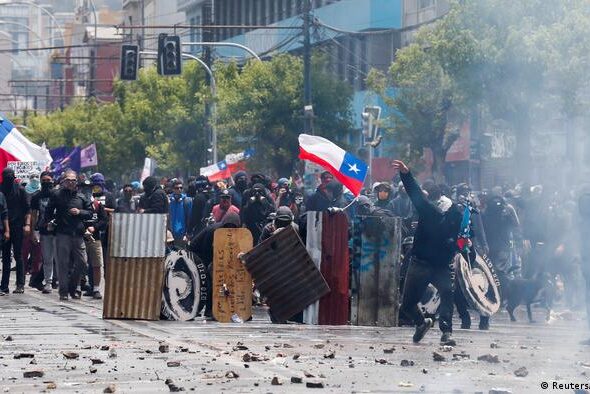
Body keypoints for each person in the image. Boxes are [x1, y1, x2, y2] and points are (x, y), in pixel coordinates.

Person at [392, 160, 464, 345]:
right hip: (421, 262)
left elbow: (461, 237)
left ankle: (446, 332)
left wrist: (456, 250)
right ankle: (421, 323)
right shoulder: (430, 210)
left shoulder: (455, 213)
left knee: (448, 292)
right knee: (407, 304)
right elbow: (415, 193)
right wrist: (406, 174)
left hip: (440, 265)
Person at [44, 170, 93, 301]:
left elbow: (90, 213)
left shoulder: (82, 196)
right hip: (62, 234)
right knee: (63, 264)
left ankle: (74, 286)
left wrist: (79, 212)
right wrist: (49, 222)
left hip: (78, 233)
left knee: (83, 262)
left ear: (77, 182)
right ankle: (64, 291)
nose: (71, 183)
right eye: (69, 180)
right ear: (64, 181)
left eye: (73, 180)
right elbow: (48, 211)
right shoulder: (56, 194)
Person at [189, 211, 241, 317]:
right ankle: (207, 310)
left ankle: (213, 308)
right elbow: (205, 250)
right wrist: (211, 267)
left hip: (214, 257)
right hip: (197, 254)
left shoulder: (234, 234)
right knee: (209, 283)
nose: (229, 229)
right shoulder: (214, 231)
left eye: (233, 227)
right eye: (228, 226)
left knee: (216, 282)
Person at [0, 167, 31, 295]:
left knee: (18, 256)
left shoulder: (20, 190)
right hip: (3, 228)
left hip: (18, 226)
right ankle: (4, 286)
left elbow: (28, 209)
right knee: (6, 257)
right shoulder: (1, 189)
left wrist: (27, 225)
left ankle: (20, 284)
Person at [30, 171, 56, 294]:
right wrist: (33, 231)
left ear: (52, 180)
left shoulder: (57, 195)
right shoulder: (36, 196)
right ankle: (48, 282)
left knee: (60, 258)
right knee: (47, 258)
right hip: (44, 231)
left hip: (58, 231)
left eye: (48, 180)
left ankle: (62, 282)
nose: (46, 182)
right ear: (40, 181)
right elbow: (34, 215)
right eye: (44, 180)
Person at [22, 171, 43, 289]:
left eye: (36, 177)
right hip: (26, 227)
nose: (35, 179)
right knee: (24, 253)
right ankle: (21, 278)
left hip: (38, 228)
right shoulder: (24, 191)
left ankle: (34, 279)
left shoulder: (41, 192)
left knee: (38, 255)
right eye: (32, 177)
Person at [168, 180, 193, 247]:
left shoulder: (187, 201)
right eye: (177, 188)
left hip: (182, 234)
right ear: (173, 189)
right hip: (170, 235)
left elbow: (190, 218)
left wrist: (187, 234)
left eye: (181, 188)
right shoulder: (168, 200)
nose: (179, 190)